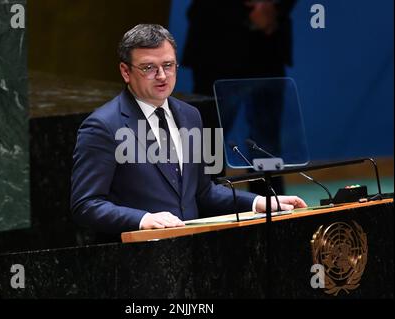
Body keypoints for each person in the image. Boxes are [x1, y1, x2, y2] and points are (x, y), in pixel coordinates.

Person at [71, 24, 306, 236]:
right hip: (137, 258)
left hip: (192, 254)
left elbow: (203, 192)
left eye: (168, 65)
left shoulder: (191, 116)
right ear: (125, 72)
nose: (162, 76)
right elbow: (87, 205)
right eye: (148, 68)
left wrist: (258, 202)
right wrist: (143, 219)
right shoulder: (103, 126)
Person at [182, 0, 297, 195]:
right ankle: (205, 208)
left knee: (266, 144)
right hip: (214, 41)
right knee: (209, 143)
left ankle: (271, 212)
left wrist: (274, 6)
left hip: (266, 46)